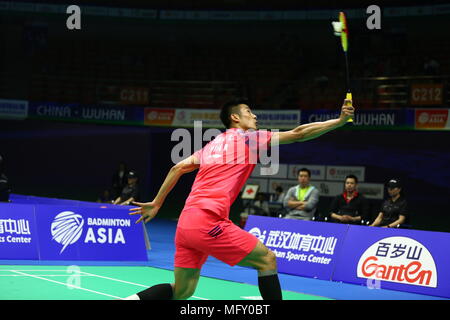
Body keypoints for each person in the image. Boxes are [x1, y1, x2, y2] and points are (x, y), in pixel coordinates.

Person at [125, 97, 354, 300]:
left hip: (186, 225)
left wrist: (157, 202)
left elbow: (177, 168)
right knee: (267, 260)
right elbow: (298, 134)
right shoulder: (249, 139)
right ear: (235, 117)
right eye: (248, 112)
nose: (254, 115)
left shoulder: (212, 144)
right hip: (208, 221)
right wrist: (338, 121)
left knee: (182, 291)